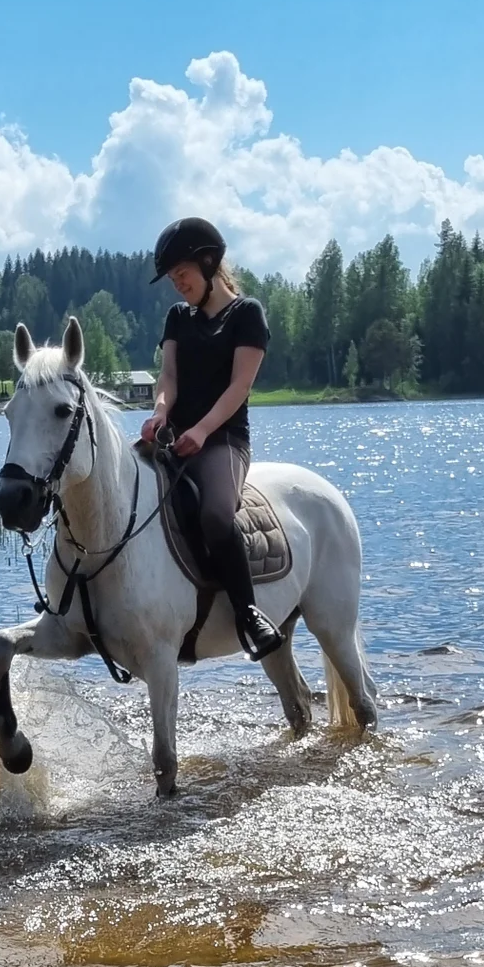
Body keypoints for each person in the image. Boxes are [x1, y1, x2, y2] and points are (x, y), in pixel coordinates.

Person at [140, 217, 284, 661]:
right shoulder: (177, 318)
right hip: (175, 434)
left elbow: (239, 387)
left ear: (208, 263)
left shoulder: (247, 314)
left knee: (217, 517)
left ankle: (249, 617)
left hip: (223, 441)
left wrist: (201, 431)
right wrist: (161, 410)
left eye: (181, 274)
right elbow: (168, 376)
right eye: (171, 278)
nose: (176, 284)